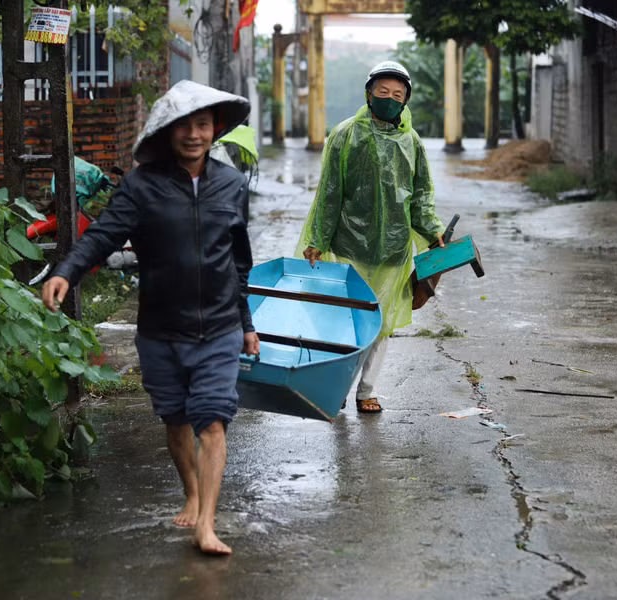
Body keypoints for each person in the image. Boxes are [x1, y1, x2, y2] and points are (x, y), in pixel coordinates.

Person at [41, 80, 259, 555]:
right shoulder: (139, 187)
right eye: (184, 125)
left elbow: (238, 263)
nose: (195, 134)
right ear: (167, 131)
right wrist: (67, 271)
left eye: (203, 124)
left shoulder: (231, 185)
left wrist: (245, 323)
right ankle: (192, 492)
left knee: (213, 422)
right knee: (177, 423)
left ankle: (206, 522)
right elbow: (101, 235)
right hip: (161, 329)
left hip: (219, 327)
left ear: (216, 128)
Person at [298, 61, 444, 414]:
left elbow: (421, 196)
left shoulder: (412, 142)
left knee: (380, 325)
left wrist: (433, 230)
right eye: (383, 92)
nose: (390, 99)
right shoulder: (345, 135)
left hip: (393, 251)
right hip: (350, 246)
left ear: (405, 99)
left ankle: (366, 391)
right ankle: (339, 388)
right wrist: (318, 237)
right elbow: (330, 192)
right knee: (350, 321)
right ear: (369, 93)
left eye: (398, 94)